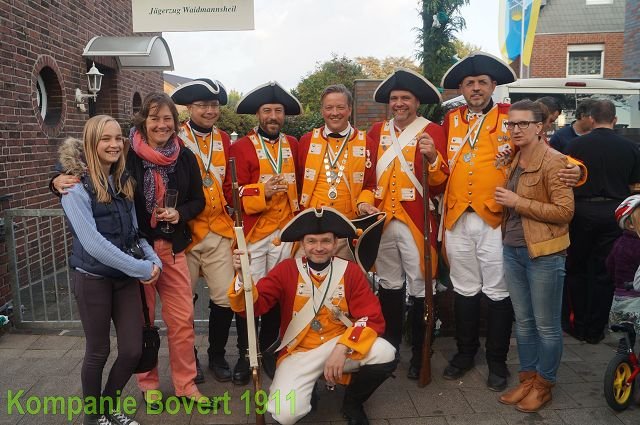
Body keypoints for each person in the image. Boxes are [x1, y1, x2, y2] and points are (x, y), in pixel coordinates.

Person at [423, 52, 584, 391]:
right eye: (469, 83)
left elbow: (548, 152)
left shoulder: (511, 117)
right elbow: (442, 170)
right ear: (462, 89)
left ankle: (496, 360)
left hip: (496, 218)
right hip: (457, 217)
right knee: (464, 289)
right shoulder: (451, 120)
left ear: (493, 85)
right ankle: (465, 353)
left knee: (498, 292)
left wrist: (577, 169)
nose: (476, 88)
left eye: (482, 82)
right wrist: (434, 162)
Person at [229, 207, 397, 425]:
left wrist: (343, 347)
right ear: (302, 243)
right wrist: (242, 276)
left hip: (340, 345)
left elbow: (371, 317)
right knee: (284, 414)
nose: (319, 247)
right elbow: (253, 307)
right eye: (311, 241)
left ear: (335, 243)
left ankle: (353, 402)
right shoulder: (286, 270)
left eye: (326, 241)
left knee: (385, 352)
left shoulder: (350, 271)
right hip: (299, 351)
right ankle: (307, 391)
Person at [58, 115, 161, 425]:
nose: (114, 144)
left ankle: (108, 406)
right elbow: (93, 244)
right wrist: (141, 268)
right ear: (91, 142)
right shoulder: (74, 187)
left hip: (124, 280)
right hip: (93, 280)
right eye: (106, 138)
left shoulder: (122, 181)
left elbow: (135, 234)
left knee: (131, 351)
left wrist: (153, 259)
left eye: (118, 138)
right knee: (98, 351)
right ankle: (93, 417)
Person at [127, 93, 209, 406]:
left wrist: (180, 213)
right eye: (154, 118)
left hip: (172, 248)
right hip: (138, 251)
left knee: (182, 320)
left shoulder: (184, 156)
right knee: (144, 320)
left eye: (167, 119)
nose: (161, 125)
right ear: (143, 122)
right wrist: (59, 178)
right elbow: (93, 172)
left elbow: (198, 200)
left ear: (175, 122)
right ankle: (148, 385)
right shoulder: (127, 155)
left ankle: (185, 385)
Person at [494, 100, 574, 412]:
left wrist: (518, 201)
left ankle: (544, 384)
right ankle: (528, 379)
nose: (515, 129)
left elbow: (565, 212)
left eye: (522, 123)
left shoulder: (555, 162)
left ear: (539, 127)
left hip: (544, 253)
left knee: (546, 325)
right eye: (511, 123)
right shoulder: (515, 157)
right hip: (513, 249)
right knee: (524, 323)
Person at [368, 69, 448, 377]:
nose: (399, 103)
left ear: (417, 102)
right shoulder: (377, 131)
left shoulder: (433, 130)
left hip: (416, 219)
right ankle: (389, 349)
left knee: (421, 286)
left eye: (405, 98)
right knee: (389, 284)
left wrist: (434, 159)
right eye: (394, 98)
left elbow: (440, 184)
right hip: (383, 219)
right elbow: (367, 173)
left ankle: (420, 352)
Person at [170, 79, 249, 385]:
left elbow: (230, 185)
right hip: (186, 232)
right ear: (190, 108)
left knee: (225, 298)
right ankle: (188, 357)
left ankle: (216, 355)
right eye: (202, 105)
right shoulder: (176, 138)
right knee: (183, 302)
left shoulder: (225, 139)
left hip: (218, 229)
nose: (209, 110)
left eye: (214, 105)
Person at [228, 81, 302, 374]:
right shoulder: (240, 146)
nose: (273, 116)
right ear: (258, 114)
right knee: (249, 294)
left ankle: (270, 350)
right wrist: (262, 191)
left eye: (278, 111)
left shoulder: (293, 144)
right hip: (254, 233)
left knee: (276, 294)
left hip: (285, 234)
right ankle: (247, 354)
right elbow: (230, 192)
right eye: (267, 111)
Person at [566, 100, 640, 344]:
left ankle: (578, 324)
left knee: (577, 268)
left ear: (591, 119)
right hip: (613, 211)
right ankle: (596, 329)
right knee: (604, 271)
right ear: (615, 120)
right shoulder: (630, 147)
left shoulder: (575, 145)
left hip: (581, 210)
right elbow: (634, 184)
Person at [297, 84, 378, 260]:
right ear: (322, 111)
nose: (335, 113)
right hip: (311, 230)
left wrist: (364, 204)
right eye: (329, 108)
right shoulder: (306, 141)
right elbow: (298, 182)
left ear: (349, 110)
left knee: (345, 276)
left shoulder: (367, 143)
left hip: (347, 231)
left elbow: (370, 184)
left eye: (340, 107)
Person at [607, 195, 640, 337]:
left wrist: (617, 281)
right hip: (636, 299)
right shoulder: (637, 245)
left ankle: (625, 347)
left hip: (619, 296)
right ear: (631, 225)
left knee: (626, 336)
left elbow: (609, 264)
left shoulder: (619, 242)